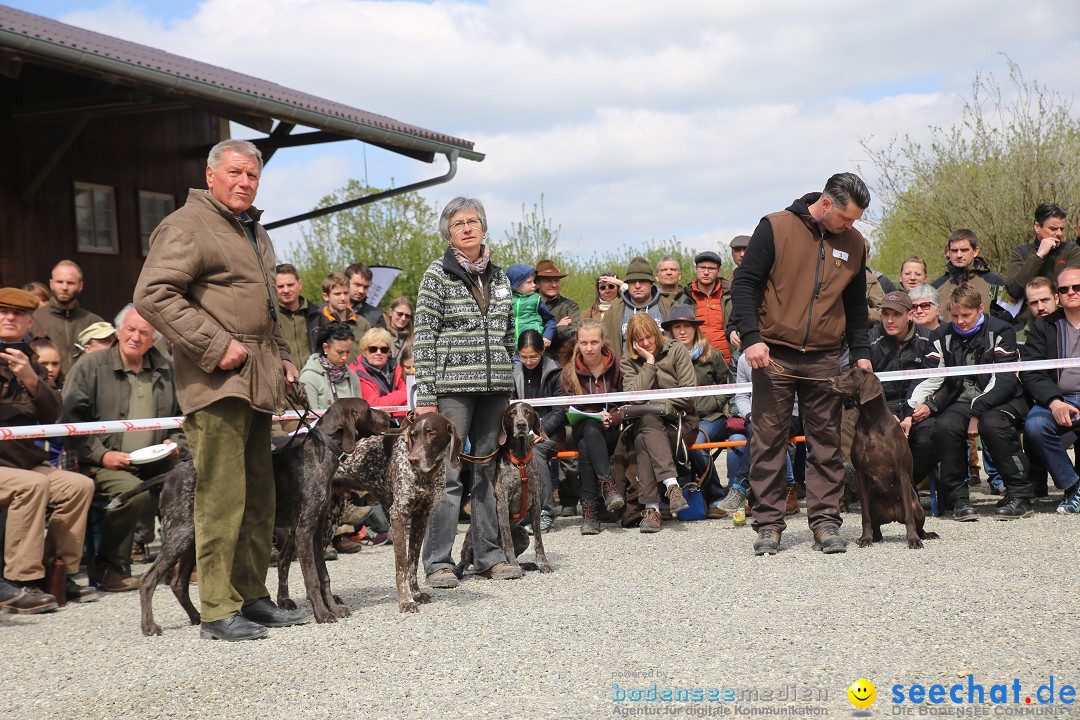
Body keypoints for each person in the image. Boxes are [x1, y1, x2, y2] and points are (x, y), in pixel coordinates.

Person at [135, 138, 307, 641]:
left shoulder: (254, 229)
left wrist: (285, 358)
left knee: (259, 493)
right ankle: (216, 610)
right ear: (210, 176)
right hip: (214, 380)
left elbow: (267, 311)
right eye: (234, 173)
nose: (244, 182)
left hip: (258, 377)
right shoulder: (186, 225)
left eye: (252, 176)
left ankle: (250, 597)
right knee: (221, 495)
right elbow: (152, 294)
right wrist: (215, 345)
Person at [730, 172, 873, 556]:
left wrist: (861, 352)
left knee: (825, 442)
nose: (850, 226)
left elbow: (857, 305)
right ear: (826, 204)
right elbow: (743, 285)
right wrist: (752, 338)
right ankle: (768, 526)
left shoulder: (855, 243)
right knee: (768, 442)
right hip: (773, 353)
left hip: (826, 356)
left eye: (856, 220)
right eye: (846, 218)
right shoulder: (775, 227)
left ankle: (826, 522)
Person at [413, 196, 520, 587]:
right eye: (459, 223)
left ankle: (487, 554)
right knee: (448, 474)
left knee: (488, 471)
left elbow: (509, 333)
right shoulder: (435, 276)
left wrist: (507, 375)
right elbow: (423, 338)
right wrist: (426, 396)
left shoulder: (503, 276)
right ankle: (438, 561)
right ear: (449, 233)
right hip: (451, 392)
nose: (467, 227)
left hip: (494, 391)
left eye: (473, 221)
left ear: (484, 228)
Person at [61, 304, 183, 592]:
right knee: (134, 495)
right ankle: (108, 567)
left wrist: (175, 442)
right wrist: (101, 454)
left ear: (154, 338)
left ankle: (177, 561)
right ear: (118, 331)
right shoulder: (91, 365)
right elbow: (68, 419)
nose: (136, 337)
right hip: (101, 459)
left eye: (144, 332)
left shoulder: (167, 368)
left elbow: (182, 417)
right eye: (130, 329)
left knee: (189, 479)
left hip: (155, 456)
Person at [0, 287, 96, 609]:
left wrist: (30, 378)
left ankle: (57, 570)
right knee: (34, 484)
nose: (10, 317)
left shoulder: (33, 362)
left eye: (18, 314)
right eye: (3, 311)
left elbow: (53, 414)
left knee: (78, 485)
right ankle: (19, 582)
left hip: (23, 464)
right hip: (10, 469)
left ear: (29, 322)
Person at [907, 283, 1032, 521]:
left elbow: (1004, 380)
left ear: (980, 309)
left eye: (966, 315)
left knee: (992, 424)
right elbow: (933, 377)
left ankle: (1020, 495)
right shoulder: (941, 335)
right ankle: (959, 499)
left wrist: (977, 412)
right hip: (961, 400)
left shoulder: (1002, 330)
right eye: (955, 316)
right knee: (944, 426)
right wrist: (915, 405)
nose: (960, 321)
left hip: (1003, 398)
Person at [619, 313, 697, 533]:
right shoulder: (629, 361)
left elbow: (688, 395)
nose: (646, 343)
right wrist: (649, 364)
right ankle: (672, 486)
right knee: (647, 425)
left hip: (680, 422)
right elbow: (633, 397)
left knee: (645, 430)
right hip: (649, 425)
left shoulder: (676, 350)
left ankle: (651, 509)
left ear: (656, 332)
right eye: (640, 340)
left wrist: (653, 401)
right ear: (632, 342)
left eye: (649, 337)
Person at [1019, 267, 1080, 514]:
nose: (1071, 292)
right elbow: (1032, 373)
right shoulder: (1043, 327)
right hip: (1060, 398)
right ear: (1059, 295)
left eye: (1077, 287)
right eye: (1064, 289)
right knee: (1035, 426)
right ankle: (1073, 486)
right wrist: (1055, 402)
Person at [662, 305, 730, 510]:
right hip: (679, 419)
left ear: (695, 328)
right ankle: (671, 498)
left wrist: (712, 403)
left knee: (697, 445)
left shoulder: (712, 355)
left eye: (687, 326)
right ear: (671, 331)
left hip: (712, 417)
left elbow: (726, 385)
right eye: (677, 326)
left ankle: (716, 495)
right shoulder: (664, 357)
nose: (682, 331)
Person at [560, 318, 623, 534]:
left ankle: (590, 511)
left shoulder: (618, 366)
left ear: (603, 341)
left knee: (587, 447)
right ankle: (607, 487)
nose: (589, 348)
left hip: (614, 430)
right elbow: (567, 409)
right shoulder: (569, 372)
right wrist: (595, 416)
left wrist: (613, 417)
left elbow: (629, 401)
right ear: (577, 342)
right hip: (584, 428)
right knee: (588, 428)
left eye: (594, 342)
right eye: (584, 342)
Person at [869, 292, 935, 487]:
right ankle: (883, 489)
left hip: (916, 405)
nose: (889, 320)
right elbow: (862, 384)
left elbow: (937, 378)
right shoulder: (870, 339)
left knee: (931, 437)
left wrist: (928, 406)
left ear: (910, 314)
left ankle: (904, 486)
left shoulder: (928, 339)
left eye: (896, 314)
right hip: (881, 407)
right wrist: (884, 413)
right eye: (885, 314)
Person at [512, 329, 567, 532]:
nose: (528, 361)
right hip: (521, 433)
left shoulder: (555, 372)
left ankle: (547, 510)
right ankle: (520, 510)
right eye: (523, 356)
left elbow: (559, 410)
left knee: (534, 454)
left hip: (552, 433)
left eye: (533, 356)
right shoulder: (514, 373)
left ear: (542, 351)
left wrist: (540, 431)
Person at [31, 260, 104, 377]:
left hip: (86, 391)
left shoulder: (95, 323)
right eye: (60, 282)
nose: (64, 287)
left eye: (70, 283)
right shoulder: (33, 320)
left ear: (80, 286)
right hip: (47, 391)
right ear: (51, 284)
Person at [1004, 203, 1080, 304]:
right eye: (1053, 229)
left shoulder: (1071, 251)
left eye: (1062, 229)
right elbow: (1013, 290)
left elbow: (1071, 285)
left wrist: (1035, 293)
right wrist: (1038, 256)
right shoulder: (1020, 253)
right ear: (1037, 227)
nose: (1059, 233)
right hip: (1028, 318)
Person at [930, 229, 1007, 324]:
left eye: (964, 250)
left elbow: (1010, 313)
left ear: (975, 251)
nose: (959, 255)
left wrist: (990, 324)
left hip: (984, 337)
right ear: (949, 252)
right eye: (954, 250)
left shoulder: (992, 282)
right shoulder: (936, 287)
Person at [602, 257, 674, 358]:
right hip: (627, 372)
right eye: (632, 282)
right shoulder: (613, 312)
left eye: (642, 281)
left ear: (651, 283)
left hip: (664, 371)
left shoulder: (669, 306)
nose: (637, 286)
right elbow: (606, 349)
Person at [673, 251, 732, 364]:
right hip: (696, 364)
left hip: (729, 362)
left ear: (718, 271)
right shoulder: (683, 298)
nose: (706, 272)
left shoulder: (731, 295)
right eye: (702, 268)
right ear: (696, 269)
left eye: (711, 268)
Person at [299, 322, 361, 409]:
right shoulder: (309, 377)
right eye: (340, 352)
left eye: (348, 352)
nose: (344, 357)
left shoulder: (352, 376)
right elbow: (311, 417)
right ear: (325, 348)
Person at [311, 272, 368, 366]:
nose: (343, 298)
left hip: (356, 377)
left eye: (346, 293)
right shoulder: (317, 322)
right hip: (326, 376)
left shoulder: (362, 323)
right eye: (337, 294)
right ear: (326, 296)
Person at [350, 327, 407, 416]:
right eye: (373, 349)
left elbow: (409, 399)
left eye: (384, 349)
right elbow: (374, 405)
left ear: (388, 352)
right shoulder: (357, 372)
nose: (379, 353)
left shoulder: (395, 367)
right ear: (363, 351)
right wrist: (402, 396)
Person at [275, 263, 320, 370]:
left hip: (313, 379)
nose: (286, 290)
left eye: (290, 285)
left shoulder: (317, 315)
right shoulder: (269, 317)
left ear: (299, 284)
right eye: (280, 286)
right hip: (284, 378)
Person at [534, 259, 580, 359]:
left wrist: (543, 331)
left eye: (556, 280)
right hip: (530, 363)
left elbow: (572, 333)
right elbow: (521, 332)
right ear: (537, 283)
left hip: (559, 365)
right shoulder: (528, 305)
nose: (554, 285)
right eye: (548, 281)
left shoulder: (569, 306)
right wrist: (555, 326)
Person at [506, 264, 557, 347]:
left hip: (533, 346)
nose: (534, 285)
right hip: (511, 348)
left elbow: (550, 320)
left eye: (534, 281)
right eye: (529, 282)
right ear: (517, 284)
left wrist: (547, 336)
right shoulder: (507, 300)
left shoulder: (536, 299)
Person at [345, 262, 387, 329]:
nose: (361, 291)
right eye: (357, 285)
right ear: (346, 282)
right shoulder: (326, 312)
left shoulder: (375, 316)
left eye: (366, 287)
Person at [385, 296, 414, 362]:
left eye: (407, 316)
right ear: (390, 312)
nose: (403, 318)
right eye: (400, 314)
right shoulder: (380, 334)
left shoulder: (413, 340)